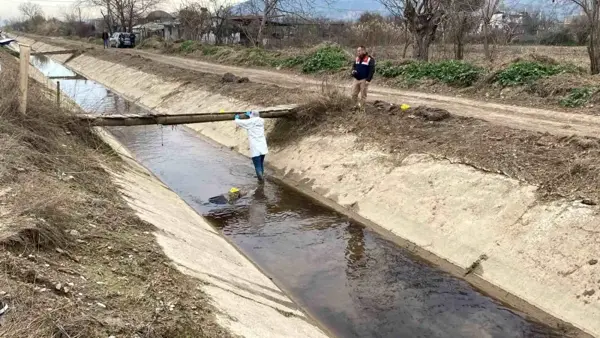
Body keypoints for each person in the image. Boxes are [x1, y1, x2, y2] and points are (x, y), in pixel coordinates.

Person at [235, 111, 268, 181]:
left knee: (257, 165)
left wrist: (236, 118)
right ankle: (261, 177)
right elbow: (254, 120)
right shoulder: (261, 121)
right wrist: (250, 115)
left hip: (255, 147)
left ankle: (261, 181)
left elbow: (239, 122)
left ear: (252, 115)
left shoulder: (250, 122)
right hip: (262, 146)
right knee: (261, 163)